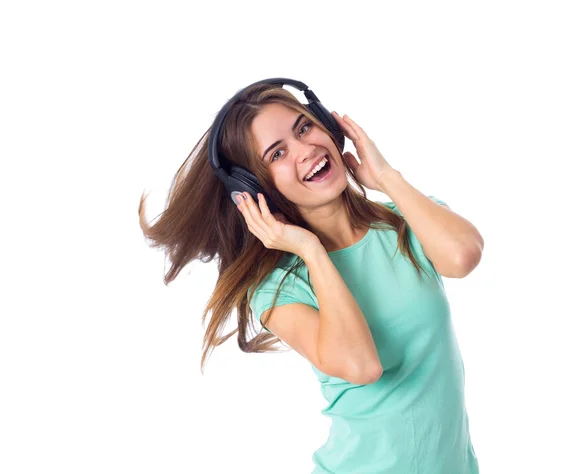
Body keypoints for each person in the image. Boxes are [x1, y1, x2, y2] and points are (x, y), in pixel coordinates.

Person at [138, 80, 483, 473]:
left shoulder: (406, 221)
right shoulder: (278, 287)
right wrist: (311, 251)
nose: (305, 150)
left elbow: (462, 256)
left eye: (304, 128)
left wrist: (387, 176)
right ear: (254, 188)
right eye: (278, 153)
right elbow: (361, 365)